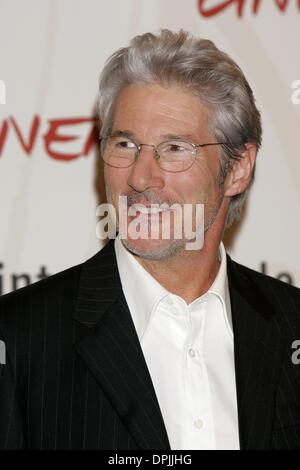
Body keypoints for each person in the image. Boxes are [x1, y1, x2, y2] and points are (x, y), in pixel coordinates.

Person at [0, 29, 300, 450]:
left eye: (174, 148)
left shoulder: (292, 327)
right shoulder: (17, 341)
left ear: (237, 168)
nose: (140, 177)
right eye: (125, 144)